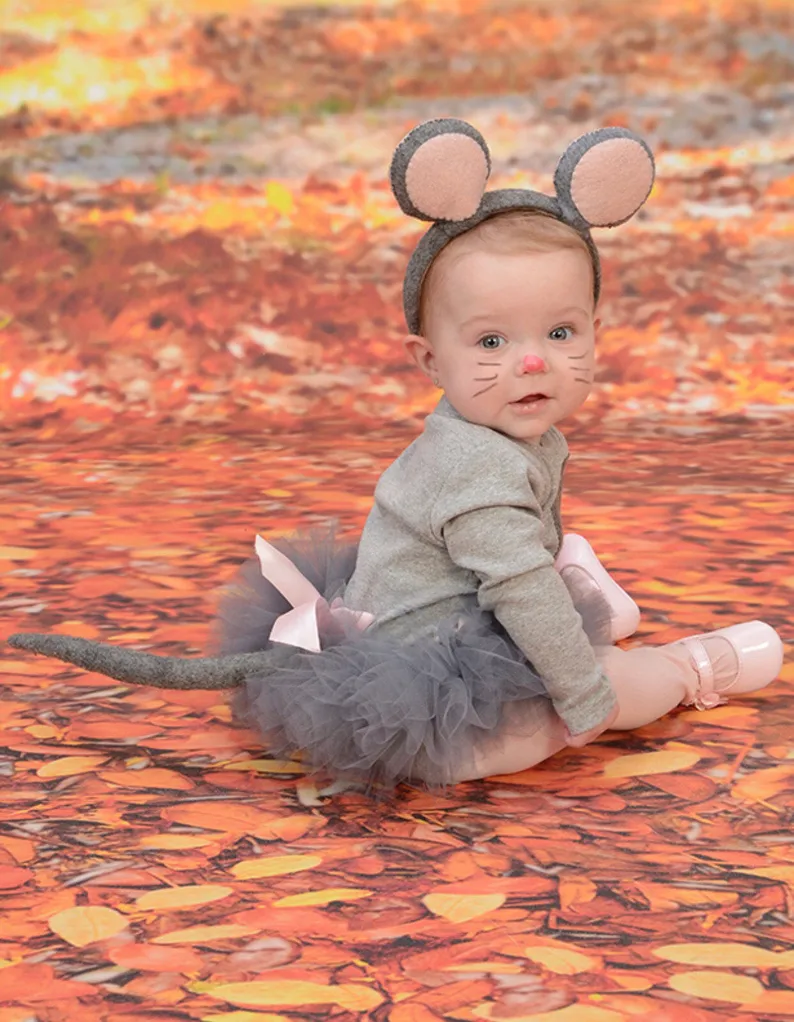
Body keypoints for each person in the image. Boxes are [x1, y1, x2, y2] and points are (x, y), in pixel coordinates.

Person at [8, 118, 784, 788]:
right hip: (428, 648)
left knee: (566, 632)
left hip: (471, 596)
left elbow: (518, 567)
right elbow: (518, 590)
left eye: (560, 332)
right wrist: (585, 698)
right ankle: (691, 667)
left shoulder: (500, 430)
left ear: (594, 332)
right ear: (429, 362)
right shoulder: (477, 471)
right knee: (544, 723)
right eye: (491, 340)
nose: (534, 362)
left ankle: (622, 621)